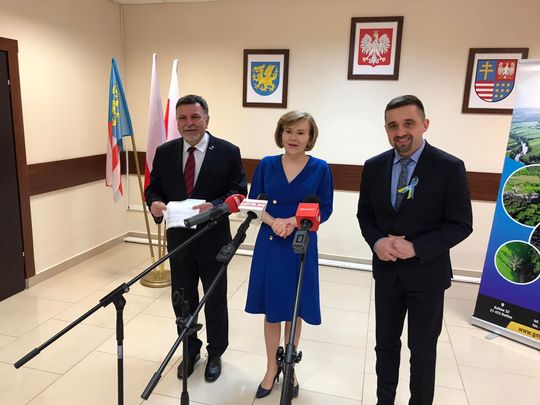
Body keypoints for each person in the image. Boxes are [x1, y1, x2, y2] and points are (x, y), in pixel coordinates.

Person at [357, 95, 473, 405]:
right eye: (392, 125)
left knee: (422, 351)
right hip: (387, 275)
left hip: (428, 276)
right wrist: (377, 242)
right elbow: (365, 214)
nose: (400, 132)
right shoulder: (374, 167)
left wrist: (417, 247)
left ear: (424, 124)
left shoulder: (449, 167)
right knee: (385, 346)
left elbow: (461, 224)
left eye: (408, 123)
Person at [145, 94, 247, 383]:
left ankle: (216, 353)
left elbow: (239, 192)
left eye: (195, 117)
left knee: (214, 299)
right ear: (176, 121)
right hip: (179, 239)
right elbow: (154, 188)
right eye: (182, 118)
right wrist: (154, 203)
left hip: (214, 239)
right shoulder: (165, 152)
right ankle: (190, 349)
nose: (189, 123)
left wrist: (215, 206)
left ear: (207, 119)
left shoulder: (227, 151)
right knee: (182, 298)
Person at [245, 111, 334, 399]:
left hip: (300, 243)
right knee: (273, 309)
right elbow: (254, 202)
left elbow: (325, 208)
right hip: (270, 241)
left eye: (300, 132)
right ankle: (271, 368)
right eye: (288, 131)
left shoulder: (320, 169)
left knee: (294, 309)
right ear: (280, 134)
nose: (293, 137)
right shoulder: (266, 164)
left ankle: (289, 367)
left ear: (310, 137)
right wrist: (274, 222)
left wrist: (294, 222)